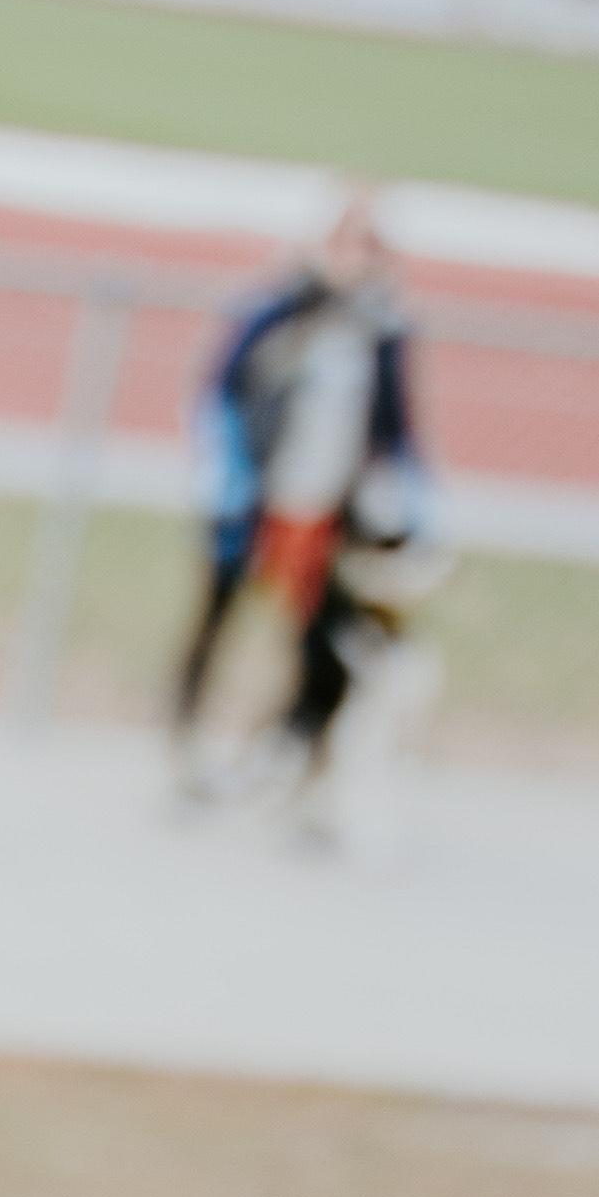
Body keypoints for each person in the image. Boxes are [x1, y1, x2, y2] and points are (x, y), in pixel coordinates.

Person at [173, 193, 432, 832]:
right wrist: (228, 474)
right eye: (344, 243)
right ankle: (189, 754)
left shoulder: (381, 332)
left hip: (327, 515)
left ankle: (299, 772)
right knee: (219, 623)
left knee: (321, 646)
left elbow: (396, 429)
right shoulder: (275, 311)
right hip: (258, 502)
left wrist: (411, 503)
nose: (353, 260)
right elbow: (221, 392)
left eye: (366, 247)